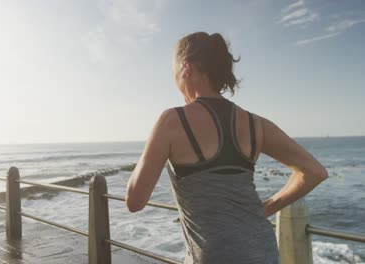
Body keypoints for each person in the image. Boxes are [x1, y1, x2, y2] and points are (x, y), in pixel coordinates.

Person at [125, 32, 329, 264]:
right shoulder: (257, 124)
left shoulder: (172, 120)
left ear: (186, 67)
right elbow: (315, 171)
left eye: (174, 71)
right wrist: (266, 209)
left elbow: (135, 201)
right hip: (263, 251)